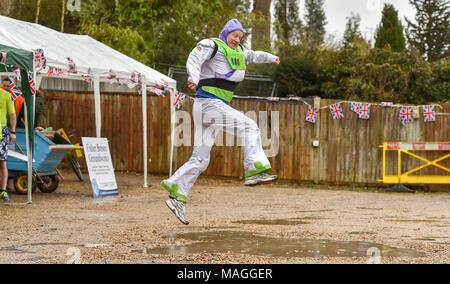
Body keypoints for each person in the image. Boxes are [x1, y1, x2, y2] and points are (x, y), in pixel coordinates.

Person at [161, 19, 280, 225]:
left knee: (200, 159)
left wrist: (272, 57)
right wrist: (193, 76)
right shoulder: (212, 45)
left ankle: (177, 195)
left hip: (209, 107)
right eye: (234, 35)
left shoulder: (239, 52)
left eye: (240, 37)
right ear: (226, 33)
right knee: (250, 126)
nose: (237, 40)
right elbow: (194, 57)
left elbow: (253, 55)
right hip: (209, 103)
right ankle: (254, 170)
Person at [0, 82, 16, 201]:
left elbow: (12, 114)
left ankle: (3, 190)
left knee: (3, 162)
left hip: (2, 132)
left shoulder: (5, 95)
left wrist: (13, 132)